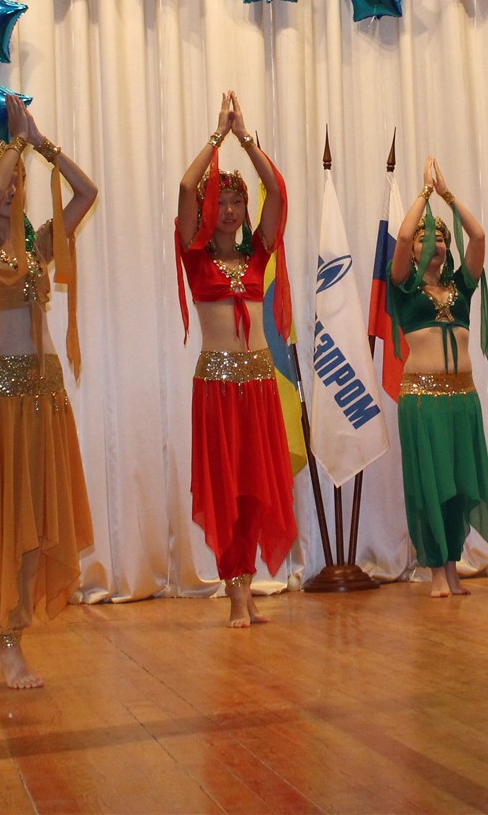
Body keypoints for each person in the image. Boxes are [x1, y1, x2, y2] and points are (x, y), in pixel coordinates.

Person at [0, 96, 96, 687]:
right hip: (2, 402)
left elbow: (86, 193)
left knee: (38, 518)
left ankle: (16, 630)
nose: (11, 188)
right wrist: (12, 146)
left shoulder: (35, 246)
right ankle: (4, 639)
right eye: (1, 182)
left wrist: (41, 144)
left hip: (45, 397)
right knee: (5, 521)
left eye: (16, 182)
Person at [174, 91, 297, 627]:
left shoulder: (258, 252)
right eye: (220, 202)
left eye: (236, 203)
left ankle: (246, 584)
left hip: (259, 386)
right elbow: (185, 187)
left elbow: (278, 191)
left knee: (254, 490)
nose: (228, 211)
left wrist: (246, 138)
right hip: (217, 389)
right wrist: (216, 137)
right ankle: (235, 593)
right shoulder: (195, 255)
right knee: (225, 490)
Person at [388, 157, 488, 598]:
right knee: (431, 484)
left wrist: (448, 196)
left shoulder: (461, 286)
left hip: (462, 399)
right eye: (426, 237)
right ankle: (435, 569)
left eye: (439, 237)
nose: (433, 242)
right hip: (422, 399)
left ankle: (452, 566)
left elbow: (480, 236)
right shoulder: (404, 287)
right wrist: (423, 194)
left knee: (459, 483)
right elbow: (401, 236)